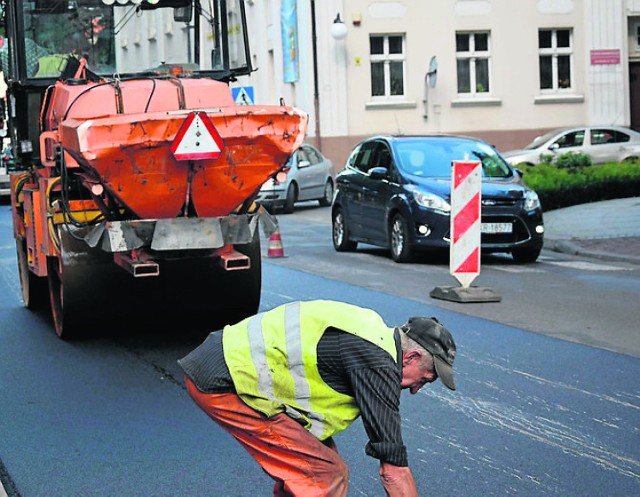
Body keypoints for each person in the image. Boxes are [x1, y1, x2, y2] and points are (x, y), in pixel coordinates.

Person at [178, 300, 457, 496]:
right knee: (325, 473)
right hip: (226, 382)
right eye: (424, 379)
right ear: (410, 356)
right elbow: (393, 471)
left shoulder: (370, 329)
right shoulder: (378, 363)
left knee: (318, 460)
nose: (415, 390)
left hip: (224, 366)